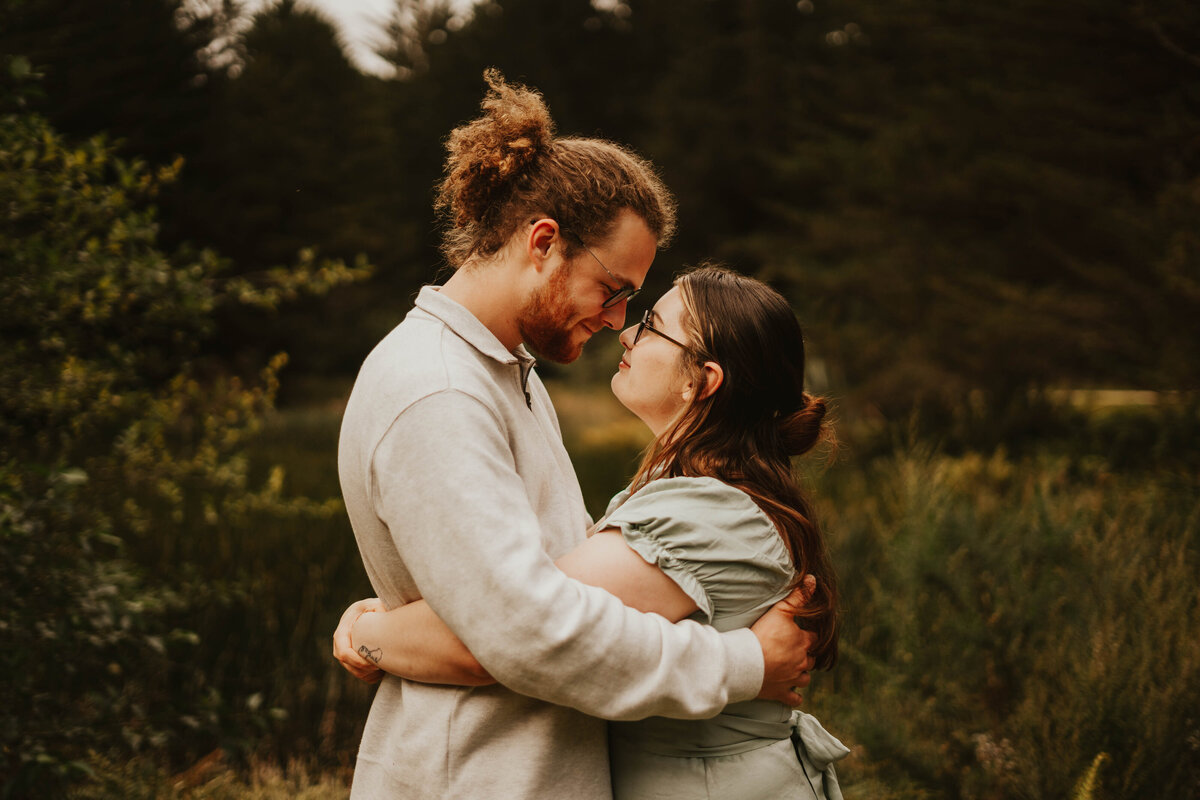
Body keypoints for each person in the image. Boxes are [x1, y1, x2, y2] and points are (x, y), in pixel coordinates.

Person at [335, 71, 819, 800]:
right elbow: (522, 632)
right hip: (475, 777)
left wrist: (373, 630)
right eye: (615, 290)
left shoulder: (506, 376)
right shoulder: (439, 389)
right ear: (543, 242)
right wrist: (745, 664)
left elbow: (522, 603)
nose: (619, 321)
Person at [335, 266, 850, 799]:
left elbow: (502, 630)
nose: (626, 331)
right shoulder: (691, 493)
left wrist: (366, 632)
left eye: (652, 325)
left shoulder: (706, 515)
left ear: (701, 379)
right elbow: (510, 606)